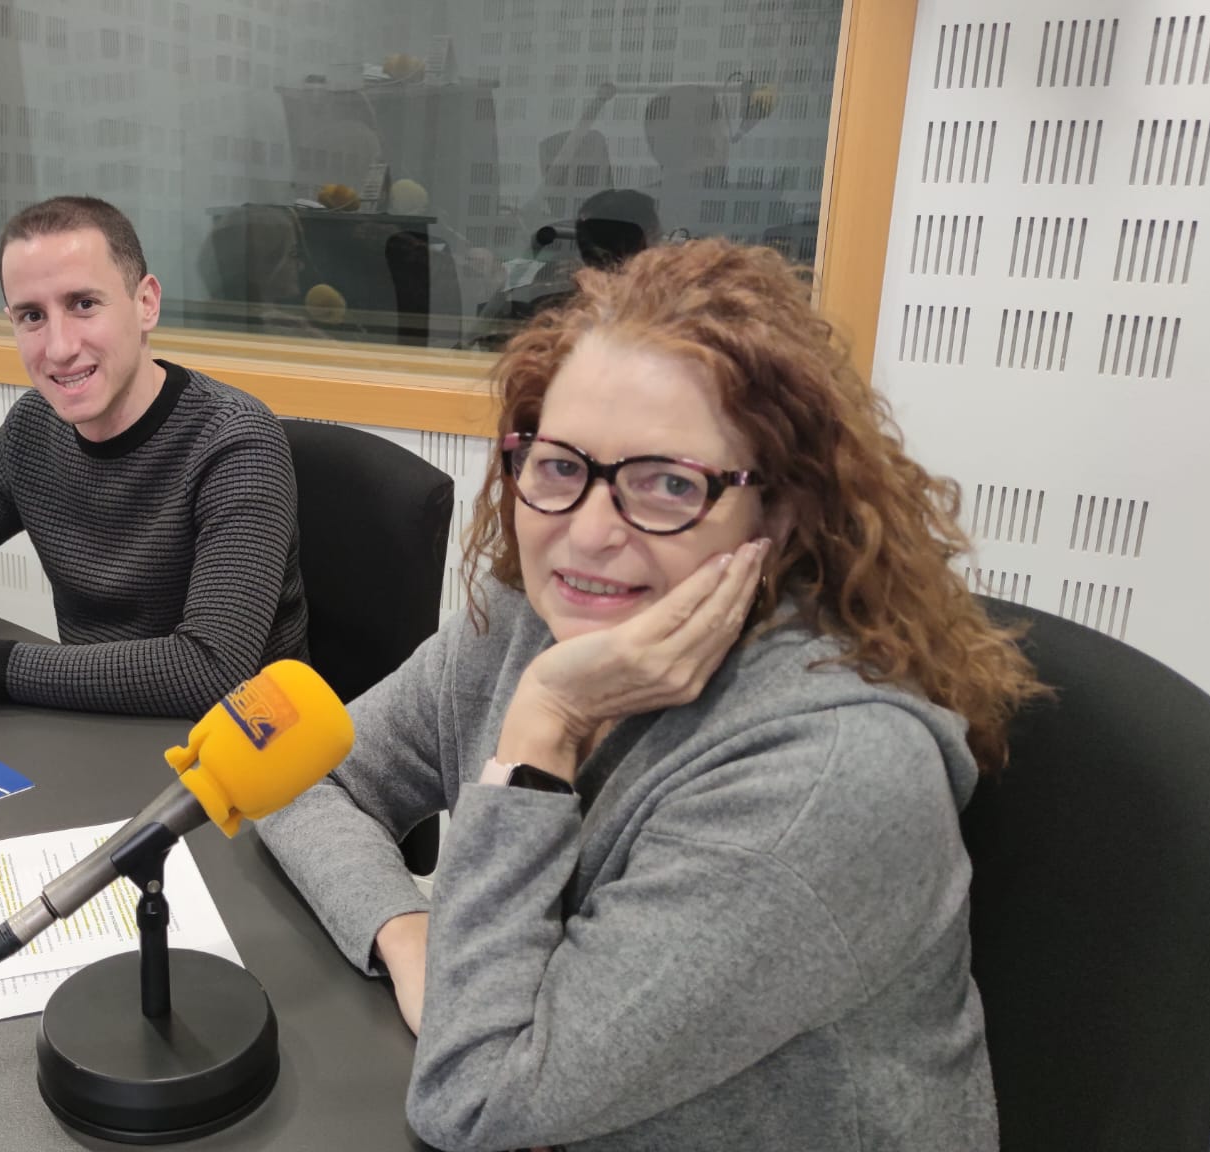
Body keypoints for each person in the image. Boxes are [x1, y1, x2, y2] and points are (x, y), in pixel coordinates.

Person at [259, 239, 1043, 1151]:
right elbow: (298, 775)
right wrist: (404, 932)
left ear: (780, 512)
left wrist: (543, 733)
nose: (589, 534)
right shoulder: (527, 620)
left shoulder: (828, 774)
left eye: (668, 484)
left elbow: (475, 1098)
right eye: (560, 467)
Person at [0, 195, 308, 717]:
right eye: (32, 316)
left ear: (146, 303)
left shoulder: (236, 441)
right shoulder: (34, 425)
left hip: (238, 745)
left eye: (83, 304)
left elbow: (210, 669)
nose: (59, 348)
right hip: (94, 726)